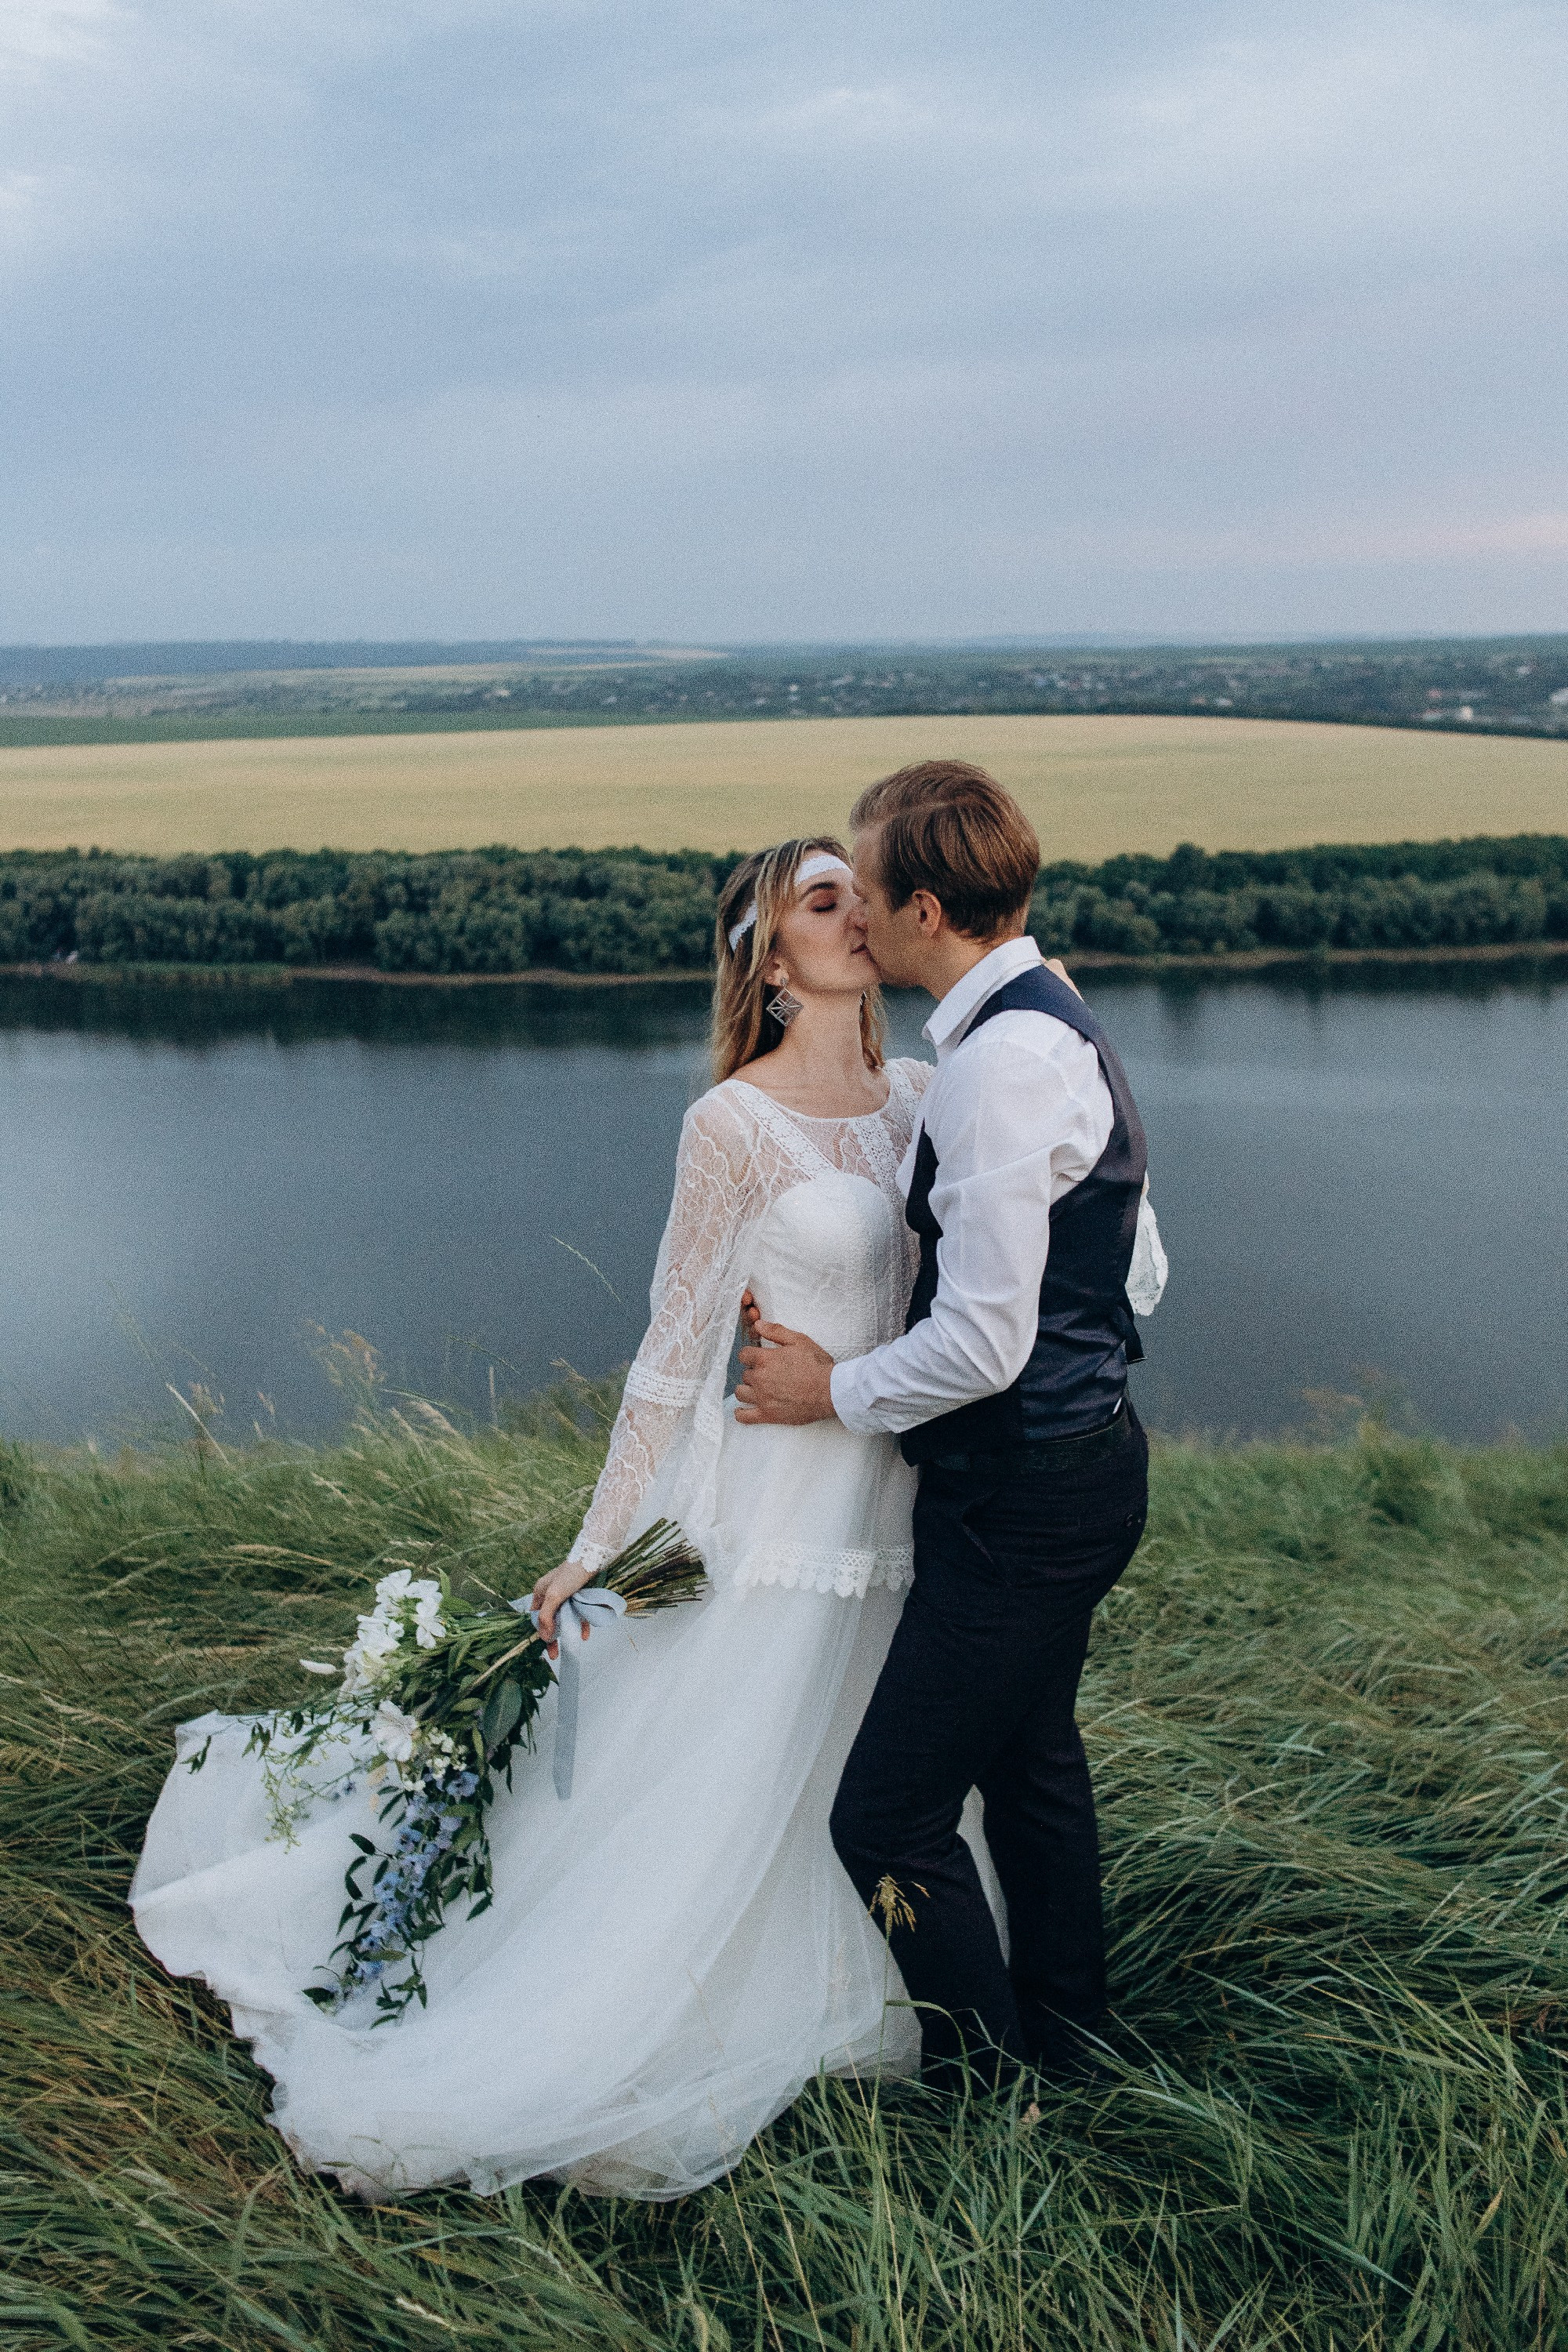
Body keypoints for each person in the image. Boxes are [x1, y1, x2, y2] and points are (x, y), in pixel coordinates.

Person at [132, 837, 945, 2201]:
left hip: (891, 1498)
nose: (854, 912)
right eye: (821, 899)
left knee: (869, 1756)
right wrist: (597, 1542)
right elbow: (672, 1354)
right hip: (768, 1507)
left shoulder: (920, 1093)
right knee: (726, 1763)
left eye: (856, 889)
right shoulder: (733, 1126)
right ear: (767, 951)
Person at [734, 760, 1167, 2088]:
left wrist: (833, 1392)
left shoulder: (993, 1072)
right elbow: (1142, 1265)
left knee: (886, 1822)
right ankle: (1074, 2052)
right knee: (1033, 1768)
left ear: (924, 908)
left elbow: (987, 1342)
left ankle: (987, 2083)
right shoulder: (1047, 1021)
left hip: (1022, 1496)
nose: (853, 912)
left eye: (863, 889)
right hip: (1081, 1467)